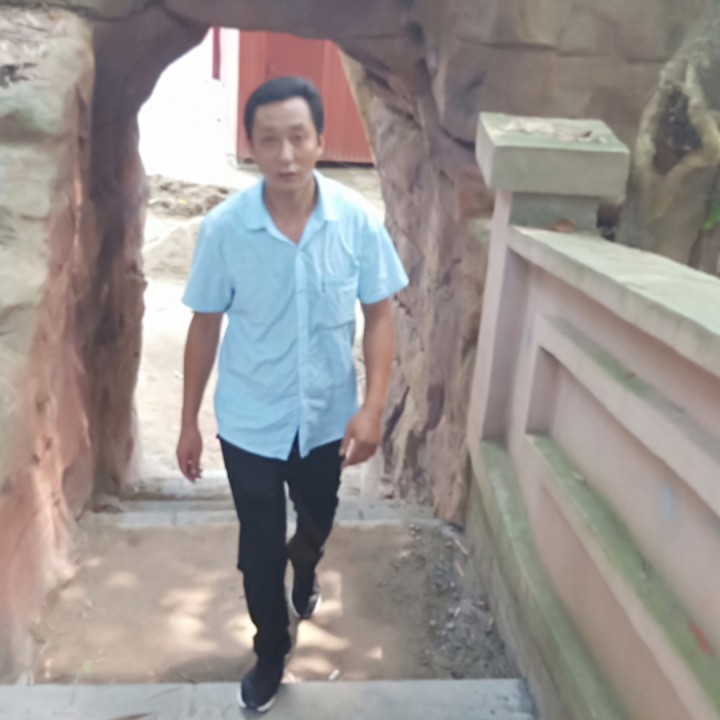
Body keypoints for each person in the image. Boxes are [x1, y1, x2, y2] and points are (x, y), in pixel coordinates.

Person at [176, 76, 409, 712]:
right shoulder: (225, 229)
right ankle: (270, 651)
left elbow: (380, 314)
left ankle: (306, 566)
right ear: (251, 145)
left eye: (298, 138)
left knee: (317, 519)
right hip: (249, 418)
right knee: (258, 550)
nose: (285, 155)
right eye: (269, 140)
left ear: (320, 141)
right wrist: (188, 421)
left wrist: (372, 407)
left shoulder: (355, 222)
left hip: (328, 419)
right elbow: (205, 324)